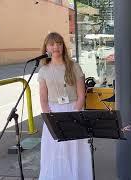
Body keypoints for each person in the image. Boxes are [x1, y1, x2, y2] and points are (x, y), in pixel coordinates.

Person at [38, 32, 93, 180]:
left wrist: (75, 113)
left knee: (75, 149)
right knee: (55, 149)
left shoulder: (74, 66)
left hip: (73, 109)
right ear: (46, 48)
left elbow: (82, 94)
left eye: (59, 43)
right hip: (53, 111)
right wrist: (48, 114)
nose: (56, 47)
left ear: (63, 46)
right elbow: (43, 98)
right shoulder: (43, 70)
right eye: (52, 44)